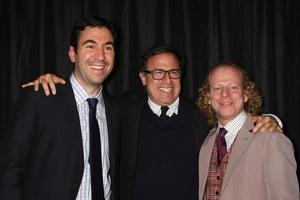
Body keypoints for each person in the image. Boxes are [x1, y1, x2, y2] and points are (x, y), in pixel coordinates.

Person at [25, 45, 282, 200]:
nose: (167, 81)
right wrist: (53, 83)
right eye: (157, 73)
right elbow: (87, 96)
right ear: (143, 78)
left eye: (173, 72)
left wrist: (272, 120)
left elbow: (234, 119)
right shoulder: (122, 110)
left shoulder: (199, 116)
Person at [0, 16, 121, 200]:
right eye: (90, 46)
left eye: (108, 47)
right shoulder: (40, 99)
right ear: (73, 54)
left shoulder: (117, 111)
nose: (101, 56)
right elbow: (9, 171)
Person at [197, 62, 299, 200]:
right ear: (208, 97)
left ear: (246, 94)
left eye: (233, 87)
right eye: (217, 88)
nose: (225, 94)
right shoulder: (207, 143)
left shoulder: (272, 139)